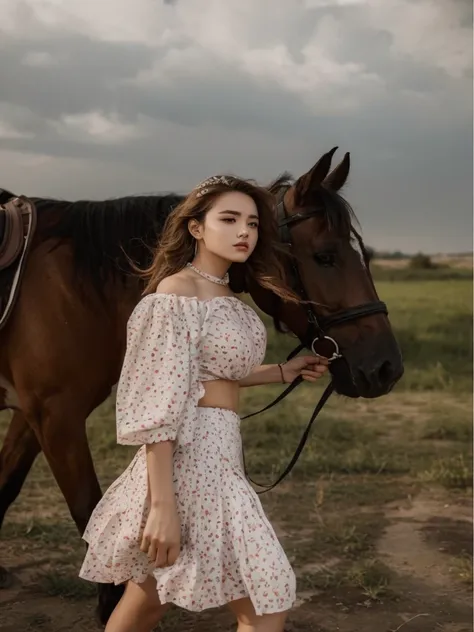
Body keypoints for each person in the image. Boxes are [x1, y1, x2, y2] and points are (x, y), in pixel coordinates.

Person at [79, 174, 329, 632]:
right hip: (190, 462)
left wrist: (281, 371)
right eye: (229, 219)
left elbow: (210, 376)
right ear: (196, 227)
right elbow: (160, 402)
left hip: (220, 456)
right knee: (265, 602)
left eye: (252, 223)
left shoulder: (227, 296)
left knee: (147, 601)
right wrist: (162, 505)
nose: (244, 233)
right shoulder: (175, 295)